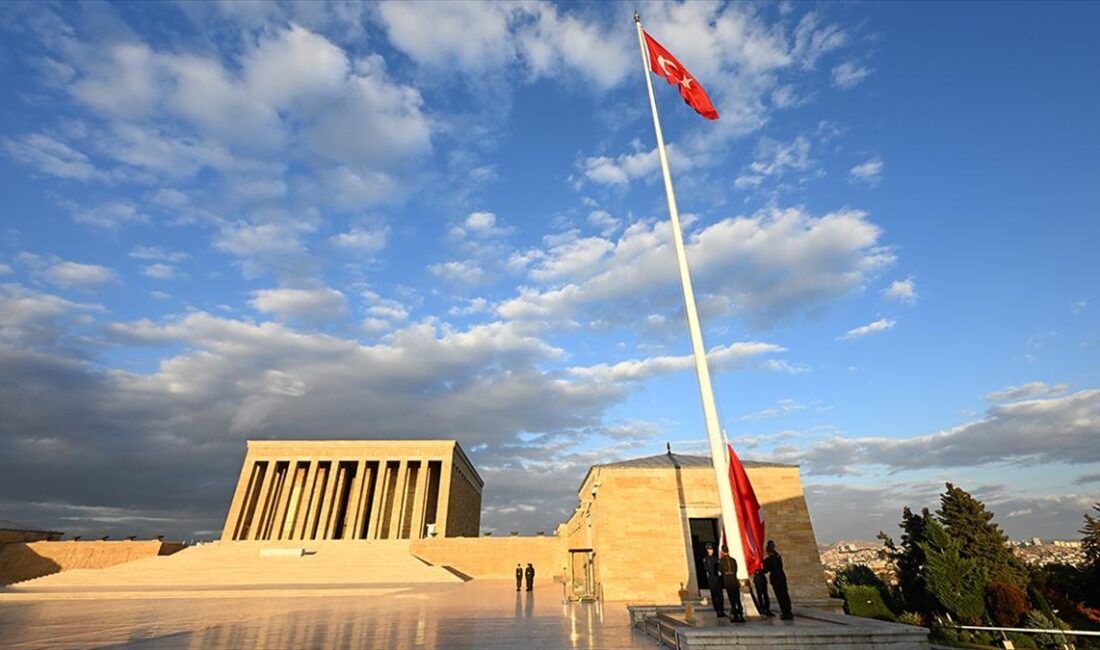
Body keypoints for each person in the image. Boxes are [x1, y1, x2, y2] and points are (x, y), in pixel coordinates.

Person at [763, 540, 793, 620]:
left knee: (780, 596)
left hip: (775, 578)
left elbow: (766, 570)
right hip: (781, 576)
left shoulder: (768, 560)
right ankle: (788, 612)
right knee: (785, 595)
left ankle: (785, 613)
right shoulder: (778, 557)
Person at [718, 546, 745, 623]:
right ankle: (740, 613)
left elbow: (720, 570)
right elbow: (736, 569)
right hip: (734, 579)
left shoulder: (722, 561)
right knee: (737, 598)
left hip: (728, 580)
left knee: (732, 598)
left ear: (723, 552)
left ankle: (735, 614)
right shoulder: (733, 560)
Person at [702, 543, 725, 618]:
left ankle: (721, 610)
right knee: (714, 595)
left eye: (711, 549)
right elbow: (706, 568)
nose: (710, 551)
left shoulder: (716, 558)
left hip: (717, 578)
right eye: (709, 549)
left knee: (720, 595)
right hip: (711, 578)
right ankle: (717, 611)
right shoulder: (706, 559)